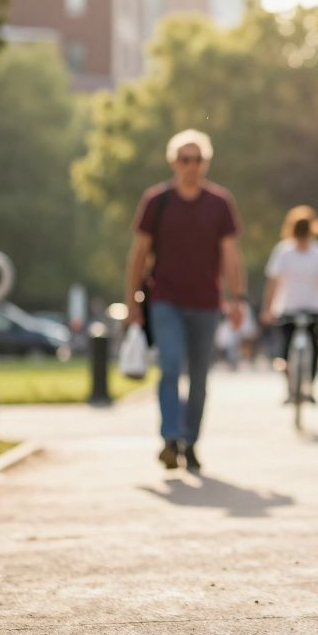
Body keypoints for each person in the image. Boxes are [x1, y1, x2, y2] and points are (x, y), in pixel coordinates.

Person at [125, 129, 245, 473]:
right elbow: (139, 253)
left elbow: (231, 255)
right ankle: (170, 438)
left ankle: (191, 443)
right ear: (173, 162)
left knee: (200, 377)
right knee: (170, 365)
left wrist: (237, 298)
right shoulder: (156, 201)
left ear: (206, 163)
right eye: (184, 159)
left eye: (197, 159)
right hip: (165, 297)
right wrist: (132, 301)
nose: (191, 166)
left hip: (207, 302)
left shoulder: (220, 202)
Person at [260, 206, 318, 401]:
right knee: (294, 349)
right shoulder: (286, 252)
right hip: (291, 308)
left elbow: (273, 284)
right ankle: (303, 386)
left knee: (294, 349)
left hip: (307, 308)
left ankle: (301, 386)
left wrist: (267, 309)